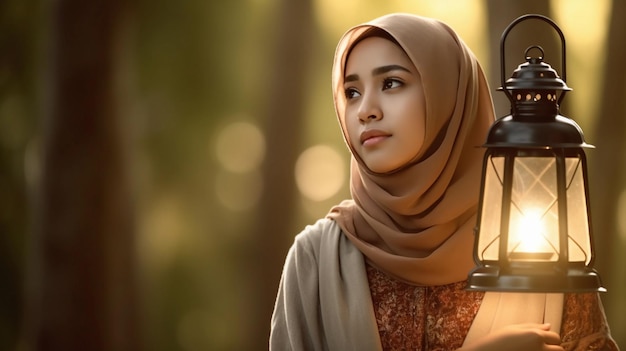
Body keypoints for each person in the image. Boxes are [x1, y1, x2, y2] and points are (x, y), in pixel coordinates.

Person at [270, 13, 619, 350]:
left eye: (391, 83)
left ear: (449, 96)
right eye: (351, 92)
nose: (365, 111)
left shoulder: (543, 246)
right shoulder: (316, 259)